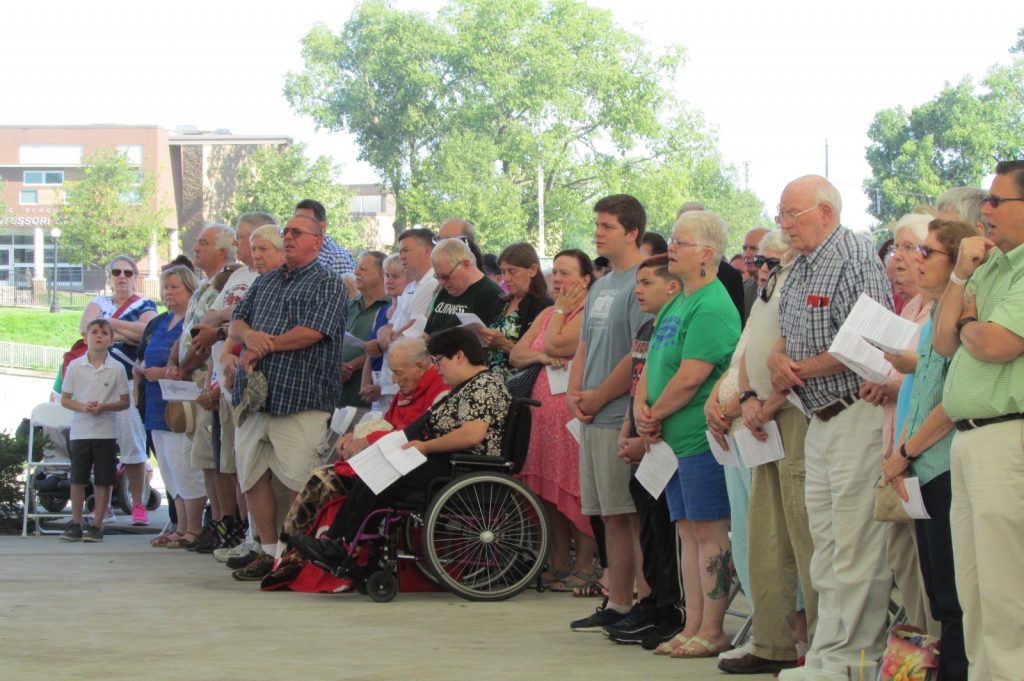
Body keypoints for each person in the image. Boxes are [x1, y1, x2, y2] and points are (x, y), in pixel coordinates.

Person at [769, 176, 893, 680]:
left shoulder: (856, 257)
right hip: (814, 415)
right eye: (781, 215)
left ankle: (854, 660)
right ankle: (826, 652)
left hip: (854, 412)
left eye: (791, 215)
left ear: (825, 211)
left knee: (856, 544)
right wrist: (779, 358)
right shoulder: (798, 264)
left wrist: (795, 368)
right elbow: (786, 329)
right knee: (825, 543)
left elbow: (864, 342)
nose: (784, 225)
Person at [291, 326, 511, 565]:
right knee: (377, 465)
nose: (436, 368)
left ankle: (343, 545)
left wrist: (426, 447)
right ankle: (338, 542)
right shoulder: (462, 389)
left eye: (439, 361)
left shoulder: (484, 385)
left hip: (465, 466)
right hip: (447, 461)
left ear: (459, 356)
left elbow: (472, 435)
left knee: (387, 469)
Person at [933, 160, 1024, 680]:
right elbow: (946, 341)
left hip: (1005, 437)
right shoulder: (987, 266)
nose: (985, 211)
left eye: (997, 201)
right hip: (968, 441)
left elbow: (994, 343)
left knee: (1005, 589)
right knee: (973, 590)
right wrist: (962, 278)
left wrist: (969, 317)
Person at [263, 337, 449, 590]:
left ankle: (315, 553)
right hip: (389, 454)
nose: (394, 380)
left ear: (419, 366)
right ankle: (294, 555)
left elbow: (413, 432)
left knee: (325, 481)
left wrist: (366, 440)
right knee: (322, 476)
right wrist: (355, 436)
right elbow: (388, 423)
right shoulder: (410, 387)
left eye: (398, 373)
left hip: (411, 459)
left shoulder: (439, 389)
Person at [637, 209, 740, 659]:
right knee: (686, 533)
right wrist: (642, 408)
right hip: (670, 439)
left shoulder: (713, 305)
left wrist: (654, 413)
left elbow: (691, 377)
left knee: (709, 532)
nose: (670, 248)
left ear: (706, 254)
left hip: (700, 438)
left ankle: (713, 629)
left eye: (680, 242)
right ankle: (692, 623)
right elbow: (653, 364)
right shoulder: (678, 300)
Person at [881, 219, 977, 681]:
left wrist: (907, 450)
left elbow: (949, 402)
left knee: (955, 594)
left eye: (928, 252)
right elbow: (920, 396)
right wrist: (902, 452)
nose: (915, 261)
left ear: (957, 262)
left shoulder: (957, 315)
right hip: (920, 463)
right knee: (938, 592)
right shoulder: (934, 314)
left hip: (941, 464)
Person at [716, 231, 814, 675]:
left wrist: (765, 404)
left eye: (770, 261)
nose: (759, 268)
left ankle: (812, 643)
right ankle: (771, 640)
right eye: (757, 260)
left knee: (802, 536)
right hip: (757, 421)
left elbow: (796, 354)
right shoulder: (764, 293)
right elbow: (746, 353)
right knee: (764, 538)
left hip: (790, 416)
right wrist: (748, 397)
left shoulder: (798, 286)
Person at [229, 212, 346, 581]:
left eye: (297, 232)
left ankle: (299, 554)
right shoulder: (264, 282)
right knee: (252, 476)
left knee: (300, 481)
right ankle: (266, 550)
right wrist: (249, 337)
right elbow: (236, 321)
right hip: (255, 399)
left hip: (302, 397)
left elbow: (313, 332)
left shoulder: (327, 283)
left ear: (318, 240)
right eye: (287, 231)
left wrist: (267, 344)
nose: (289, 237)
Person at [567, 194, 651, 632]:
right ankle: (618, 603)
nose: (598, 233)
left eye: (607, 227)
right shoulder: (600, 284)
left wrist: (599, 396)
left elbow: (639, 354)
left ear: (632, 232)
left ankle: (646, 603)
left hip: (619, 412)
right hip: (592, 414)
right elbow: (584, 344)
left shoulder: (642, 280)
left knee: (629, 515)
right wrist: (575, 392)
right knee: (607, 515)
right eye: (597, 226)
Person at [862, 212, 938, 636]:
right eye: (898, 247)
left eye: (913, 247)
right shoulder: (910, 306)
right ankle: (917, 652)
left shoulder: (942, 310)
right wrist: (881, 383)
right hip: (894, 447)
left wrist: (897, 377)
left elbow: (933, 379)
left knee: (931, 572)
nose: (902, 258)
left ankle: (935, 653)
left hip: (922, 452)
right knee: (904, 561)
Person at [607, 254, 686, 647]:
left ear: (672, 286)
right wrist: (628, 426)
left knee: (665, 525)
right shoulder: (646, 325)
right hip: (642, 431)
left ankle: (670, 608)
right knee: (649, 522)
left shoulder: (677, 323)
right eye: (636, 283)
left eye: (647, 283)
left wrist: (646, 430)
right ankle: (653, 600)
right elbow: (639, 381)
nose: (637, 290)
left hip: (664, 438)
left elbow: (678, 383)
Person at [512, 249, 598, 593]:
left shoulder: (584, 312)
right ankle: (559, 561)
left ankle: (585, 563)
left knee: (575, 490)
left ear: (586, 279)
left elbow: (560, 341)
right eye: (556, 273)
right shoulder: (548, 312)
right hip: (540, 414)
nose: (558, 280)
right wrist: (544, 357)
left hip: (570, 417)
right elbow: (518, 354)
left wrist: (560, 315)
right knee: (548, 494)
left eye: (566, 274)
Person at [166, 223, 241, 549]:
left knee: (218, 461)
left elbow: (202, 340)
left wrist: (183, 368)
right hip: (192, 383)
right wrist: (173, 360)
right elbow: (187, 331)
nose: (195, 248)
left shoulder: (222, 287)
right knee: (204, 460)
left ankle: (227, 528)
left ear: (222, 251)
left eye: (203, 243)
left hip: (206, 383)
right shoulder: (204, 286)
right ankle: (216, 525)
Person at [78, 255, 157, 525]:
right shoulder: (97, 303)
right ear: (108, 277)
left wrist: (109, 326)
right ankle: (103, 506)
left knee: (133, 445)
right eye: (116, 272)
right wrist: (124, 333)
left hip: (128, 384)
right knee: (100, 447)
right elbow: (85, 330)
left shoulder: (144, 304)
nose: (121, 277)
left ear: (135, 277)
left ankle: (139, 504)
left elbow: (147, 330)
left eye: (127, 272)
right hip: (98, 385)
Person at [138, 266, 208, 548]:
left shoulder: (191, 321)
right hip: (156, 402)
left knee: (184, 466)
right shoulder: (160, 322)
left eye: (174, 287)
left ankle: (194, 527)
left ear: (190, 289)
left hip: (182, 403)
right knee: (168, 468)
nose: (168, 292)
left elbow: (195, 358)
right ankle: (179, 525)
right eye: (165, 287)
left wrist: (165, 373)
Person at [59, 319, 130, 543]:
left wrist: (104, 407)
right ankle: (76, 523)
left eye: (103, 333)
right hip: (81, 431)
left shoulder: (116, 368)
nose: (98, 336)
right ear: (86, 337)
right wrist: (83, 407)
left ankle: (97, 525)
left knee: (103, 479)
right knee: (78, 479)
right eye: (94, 332)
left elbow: (125, 401)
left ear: (110, 340)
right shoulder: (75, 366)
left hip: (105, 432)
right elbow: (66, 398)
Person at [375, 228, 439, 409]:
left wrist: (388, 336)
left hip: (410, 374)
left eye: (406, 250)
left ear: (426, 251)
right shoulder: (412, 285)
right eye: (400, 250)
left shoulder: (432, 283)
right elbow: (391, 325)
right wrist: (385, 332)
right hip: (392, 376)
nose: (401, 255)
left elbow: (414, 329)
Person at [477, 242, 552, 381]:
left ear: (533, 270)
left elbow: (537, 356)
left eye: (512, 271)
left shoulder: (544, 307)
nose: (506, 278)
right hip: (487, 377)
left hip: (517, 383)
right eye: (503, 272)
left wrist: (504, 343)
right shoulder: (502, 303)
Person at [358, 254, 409, 410]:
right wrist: (366, 385)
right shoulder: (382, 311)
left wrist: (385, 387)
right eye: (387, 275)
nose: (389, 281)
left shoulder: (407, 313)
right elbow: (371, 354)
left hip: (396, 388)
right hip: (377, 386)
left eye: (395, 276)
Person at [339, 251, 390, 409]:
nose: (356, 273)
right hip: (336, 394)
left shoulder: (391, 308)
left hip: (366, 396)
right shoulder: (348, 305)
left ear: (381, 274)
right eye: (356, 268)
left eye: (363, 269)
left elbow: (385, 346)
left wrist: (351, 366)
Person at [423, 238, 504, 334]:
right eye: (438, 276)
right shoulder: (446, 290)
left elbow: (489, 342)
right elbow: (427, 333)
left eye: (446, 276)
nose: (442, 282)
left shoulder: (491, 295)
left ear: (466, 265)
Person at [294, 199, 356, 277]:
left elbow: (346, 288)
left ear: (322, 227)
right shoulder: (292, 253)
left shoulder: (337, 258)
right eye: (296, 221)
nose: (297, 226)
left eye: (305, 222)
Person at [741, 227, 770, 319]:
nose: (746, 254)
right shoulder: (742, 288)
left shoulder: (779, 289)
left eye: (753, 248)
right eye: (745, 248)